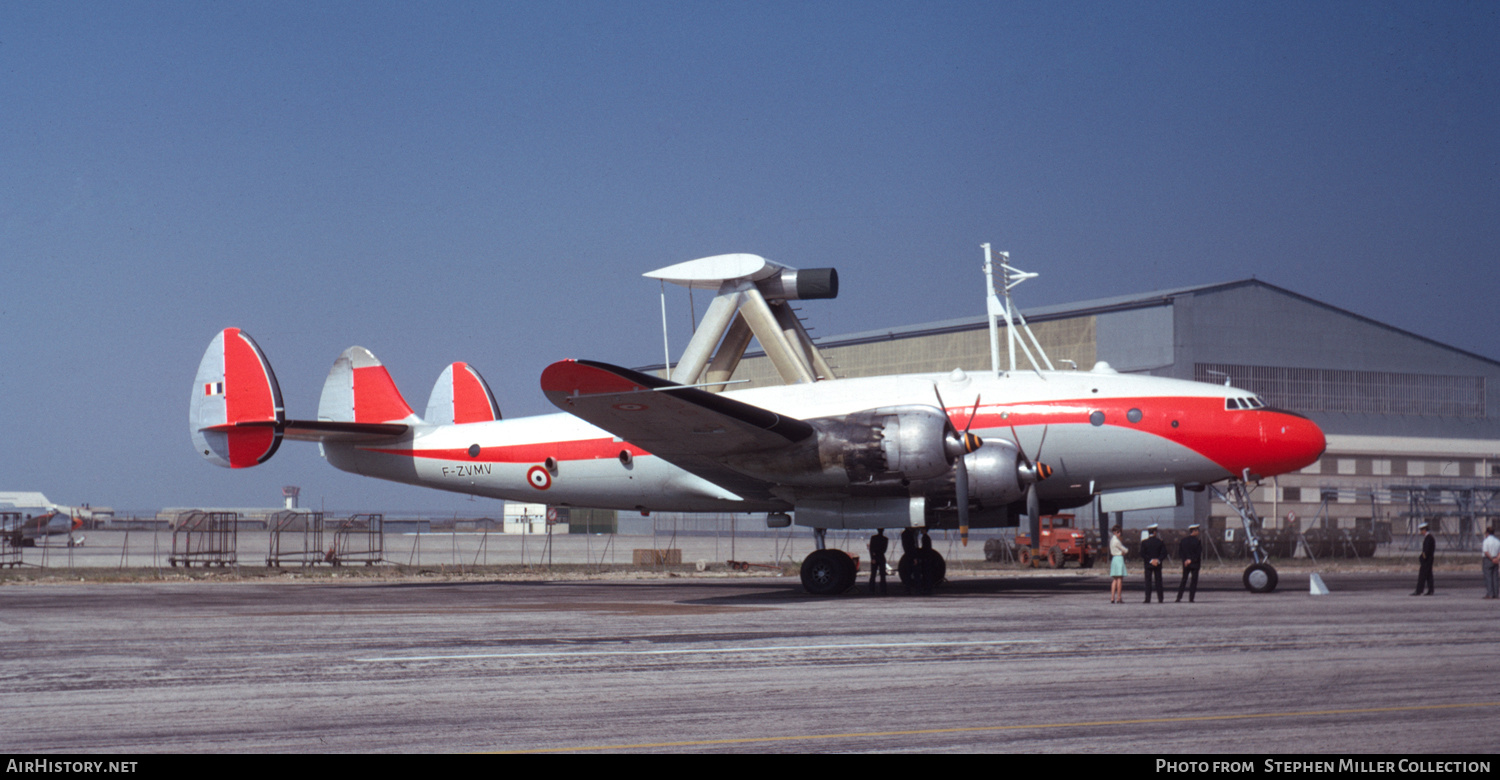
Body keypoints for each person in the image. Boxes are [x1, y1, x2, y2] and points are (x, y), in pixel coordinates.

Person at [1140, 524, 1167, 603]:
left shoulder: (1144, 542)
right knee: (1158, 581)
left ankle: (1147, 598)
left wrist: (1150, 560)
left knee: (1148, 582)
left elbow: (1142, 554)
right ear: (1155, 532)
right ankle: (1160, 598)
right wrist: (1158, 560)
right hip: (1157, 565)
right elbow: (1164, 553)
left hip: (1148, 565)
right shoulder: (1160, 542)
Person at [1176, 524, 1202, 602]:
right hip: (1194, 564)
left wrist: (1185, 560)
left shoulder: (1183, 540)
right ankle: (1191, 598)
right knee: (1193, 581)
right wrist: (1191, 560)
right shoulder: (1197, 541)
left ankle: (1179, 597)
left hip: (1186, 564)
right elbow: (1198, 553)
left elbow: (1180, 552)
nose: (1198, 532)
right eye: (1197, 531)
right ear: (1194, 531)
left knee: (1184, 580)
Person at [1413, 522, 1435, 596]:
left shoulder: (1428, 538)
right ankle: (1430, 590)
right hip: (1429, 559)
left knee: (1422, 575)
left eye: (1421, 530)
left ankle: (1419, 591)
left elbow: (1426, 550)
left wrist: (1422, 558)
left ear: (1425, 530)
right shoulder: (1429, 537)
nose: (1421, 532)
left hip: (1427, 560)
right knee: (1429, 575)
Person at [1108, 526, 1128, 603]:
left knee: (1114, 580)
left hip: (1114, 559)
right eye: (1118, 532)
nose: (1120, 534)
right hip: (1119, 558)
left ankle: (1112, 597)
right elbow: (1125, 549)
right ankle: (1118, 597)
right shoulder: (1117, 541)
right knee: (1119, 579)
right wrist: (1125, 551)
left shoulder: (1111, 540)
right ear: (1115, 532)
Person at [868, 529, 889, 595]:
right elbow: (884, 550)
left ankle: (871, 589)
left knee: (873, 574)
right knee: (882, 575)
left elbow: (871, 549)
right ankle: (883, 590)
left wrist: (873, 557)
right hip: (881, 557)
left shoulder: (873, 538)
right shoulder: (885, 539)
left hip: (875, 556)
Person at [1482, 526, 1500, 600]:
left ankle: (1490, 593)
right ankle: (1496, 593)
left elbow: (1486, 552)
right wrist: (1497, 559)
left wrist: (1491, 559)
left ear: (1487, 533)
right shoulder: (1497, 541)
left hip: (1488, 559)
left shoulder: (1486, 541)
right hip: (1496, 558)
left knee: (1488, 577)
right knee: (1495, 577)